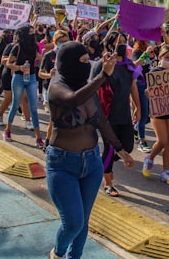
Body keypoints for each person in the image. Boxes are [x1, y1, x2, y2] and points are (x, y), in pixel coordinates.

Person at [46, 42, 133, 259]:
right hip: (62, 164)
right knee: (73, 222)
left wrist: (119, 149)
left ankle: (75, 256)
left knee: (84, 220)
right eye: (82, 62)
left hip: (91, 163)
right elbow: (73, 100)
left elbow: (102, 122)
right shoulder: (57, 87)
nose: (86, 65)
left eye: (88, 61)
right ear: (67, 63)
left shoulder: (89, 89)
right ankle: (57, 254)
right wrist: (103, 75)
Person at [91, 31, 141, 197]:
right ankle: (108, 182)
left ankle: (100, 165)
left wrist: (137, 107)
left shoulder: (129, 65)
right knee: (111, 148)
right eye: (119, 41)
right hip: (107, 114)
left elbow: (133, 86)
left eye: (124, 41)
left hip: (124, 113)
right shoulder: (102, 64)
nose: (122, 44)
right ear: (110, 45)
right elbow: (93, 86)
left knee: (127, 146)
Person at [142, 44, 169, 185]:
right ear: (160, 58)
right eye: (167, 57)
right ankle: (149, 158)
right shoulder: (155, 72)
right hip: (158, 111)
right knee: (162, 140)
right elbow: (149, 90)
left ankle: (165, 171)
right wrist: (148, 92)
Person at [4, 25, 45, 147]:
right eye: (30, 32)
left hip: (31, 77)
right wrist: (19, 67)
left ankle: (38, 137)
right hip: (19, 77)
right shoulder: (17, 47)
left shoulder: (34, 46)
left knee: (33, 107)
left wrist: (39, 59)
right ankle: (7, 130)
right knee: (16, 104)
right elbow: (8, 63)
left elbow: (38, 58)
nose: (33, 34)